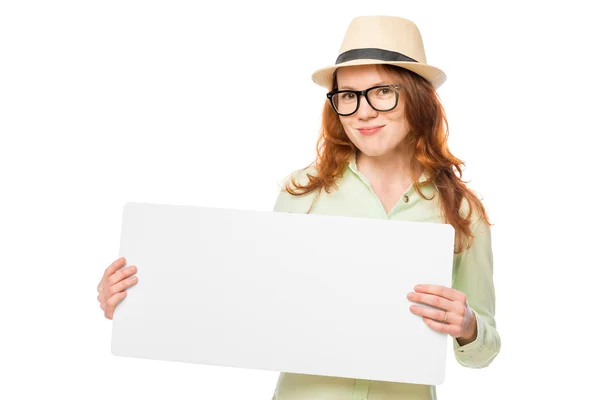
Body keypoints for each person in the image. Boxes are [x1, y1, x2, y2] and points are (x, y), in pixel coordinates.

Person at [97, 15, 500, 400]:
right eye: (347, 96)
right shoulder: (302, 192)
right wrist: (139, 301)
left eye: (382, 91)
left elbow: (484, 351)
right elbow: (246, 301)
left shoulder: (462, 211)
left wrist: (467, 326)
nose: (362, 111)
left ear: (418, 99)